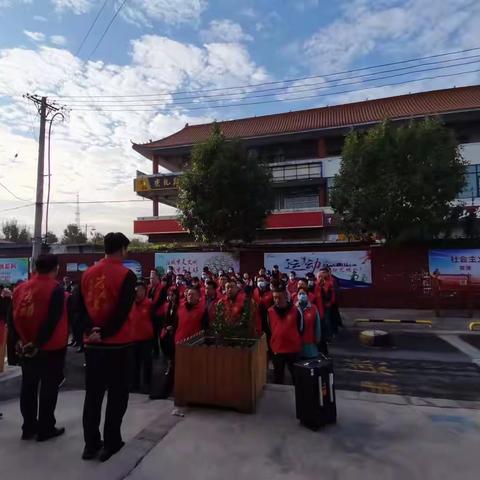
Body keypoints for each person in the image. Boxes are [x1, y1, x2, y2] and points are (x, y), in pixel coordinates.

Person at [79, 232, 137, 462]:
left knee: (92, 396)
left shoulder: (87, 274)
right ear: (122, 248)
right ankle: (111, 443)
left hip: (92, 346)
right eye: (126, 249)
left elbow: (78, 308)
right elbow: (122, 311)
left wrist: (90, 331)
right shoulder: (126, 274)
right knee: (117, 396)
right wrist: (105, 332)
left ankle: (90, 445)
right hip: (118, 345)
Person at [10, 254, 67, 442]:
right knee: (49, 388)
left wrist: (19, 340)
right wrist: (37, 343)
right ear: (55, 268)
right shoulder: (55, 289)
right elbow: (52, 320)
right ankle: (45, 428)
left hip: (25, 346)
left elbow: (12, 318)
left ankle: (28, 427)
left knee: (28, 387)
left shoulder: (19, 289)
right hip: (50, 347)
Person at [267, 285, 303, 385]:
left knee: (296, 376)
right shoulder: (270, 311)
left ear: (285, 297)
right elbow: (269, 329)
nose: (277, 300)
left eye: (279, 297)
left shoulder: (295, 310)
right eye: (274, 298)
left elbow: (300, 328)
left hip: (293, 349)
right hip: (277, 349)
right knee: (278, 377)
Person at [130, 283, 154, 394]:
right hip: (132, 339)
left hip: (146, 339)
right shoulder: (129, 304)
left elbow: (155, 321)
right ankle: (134, 384)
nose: (137, 293)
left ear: (144, 292)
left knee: (147, 363)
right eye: (135, 291)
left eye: (139, 291)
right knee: (134, 364)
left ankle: (147, 384)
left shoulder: (149, 304)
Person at [295, 287, 321, 359]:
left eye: (303, 293)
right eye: (300, 294)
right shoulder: (293, 308)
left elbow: (317, 326)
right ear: (297, 295)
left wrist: (317, 339)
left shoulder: (313, 308)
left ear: (307, 295)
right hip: (296, 344)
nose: (302, 295)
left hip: (310, 344)